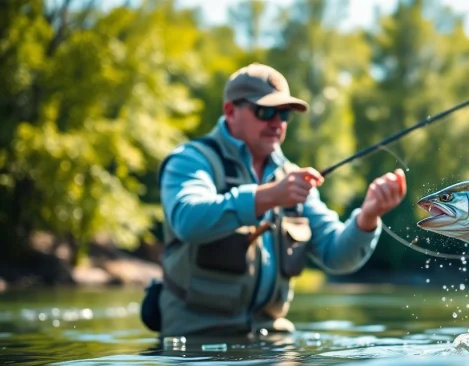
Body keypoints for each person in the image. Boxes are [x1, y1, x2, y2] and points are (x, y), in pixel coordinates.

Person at [141, 63, 406, 338]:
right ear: (230, 111)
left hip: (272, 343)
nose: (276, 122)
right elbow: (188, 219)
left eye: (284, 114)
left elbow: (336, 255)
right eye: (265, 111)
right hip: (196, 346)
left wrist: (368, 217)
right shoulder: (190, 160)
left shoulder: (290, 177)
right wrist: (268, 196)